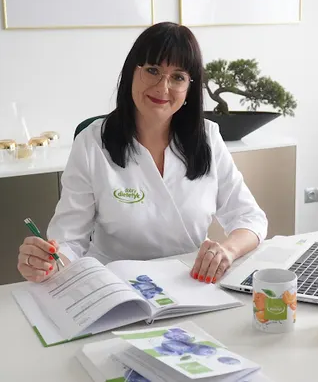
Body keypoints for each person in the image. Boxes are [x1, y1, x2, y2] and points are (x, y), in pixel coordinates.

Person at [17, 22, 268, 285]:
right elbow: (69, 241)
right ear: (131, 73)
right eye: (152, 70)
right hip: (114, 285)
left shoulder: (207, 137)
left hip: (190, 281)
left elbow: (250, 217)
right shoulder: (92, 142)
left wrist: (227, 251)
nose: (163, 87)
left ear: (189, 88)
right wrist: (46, 263)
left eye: (178, 77)